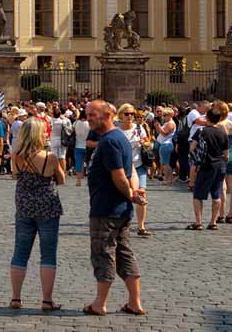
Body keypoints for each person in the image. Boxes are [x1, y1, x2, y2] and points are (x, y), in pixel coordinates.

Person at [83, 100, 145, 317]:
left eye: (93, 114)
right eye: (87, 114)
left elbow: (119, 175)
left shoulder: (109, 141)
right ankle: (134, 302)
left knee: (103, 254)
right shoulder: (120, 138)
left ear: (108, 115)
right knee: (124, 253)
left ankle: (99, 303)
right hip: (121, 209)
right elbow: (132, 172)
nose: (89, 117)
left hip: (106, 209)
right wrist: (133, 194)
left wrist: (130, 194)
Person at [9, 117, 64, 312]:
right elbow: (61, 179)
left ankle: (16, 298)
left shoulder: (15, 155)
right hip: (47, 207)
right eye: (43, 131)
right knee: (48, 254)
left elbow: (15, 175)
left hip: (24, 207)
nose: (46, 134)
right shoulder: (50, 157)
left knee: (20, 253)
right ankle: (47, 300)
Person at [187, 101, 230, 230]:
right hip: (220, 165)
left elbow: (192, 148)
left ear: (207, 118)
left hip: (206, 165)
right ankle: (213, 222)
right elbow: (226, 154)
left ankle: (198, 223)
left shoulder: (201, 131)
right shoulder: (223, 133)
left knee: (198, 195)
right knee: (216, 195)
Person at [116, 106, 153, 237]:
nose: (130, 116)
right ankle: (121, 224)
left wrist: (144, 142)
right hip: (123, 168)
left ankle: (141, 226)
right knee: (124, 195)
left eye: (132, 113)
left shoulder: (138, 128)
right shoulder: (117, 131)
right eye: (127, 114)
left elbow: (148, 142)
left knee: (142, 194)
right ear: (121, 115)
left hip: (138, 165)